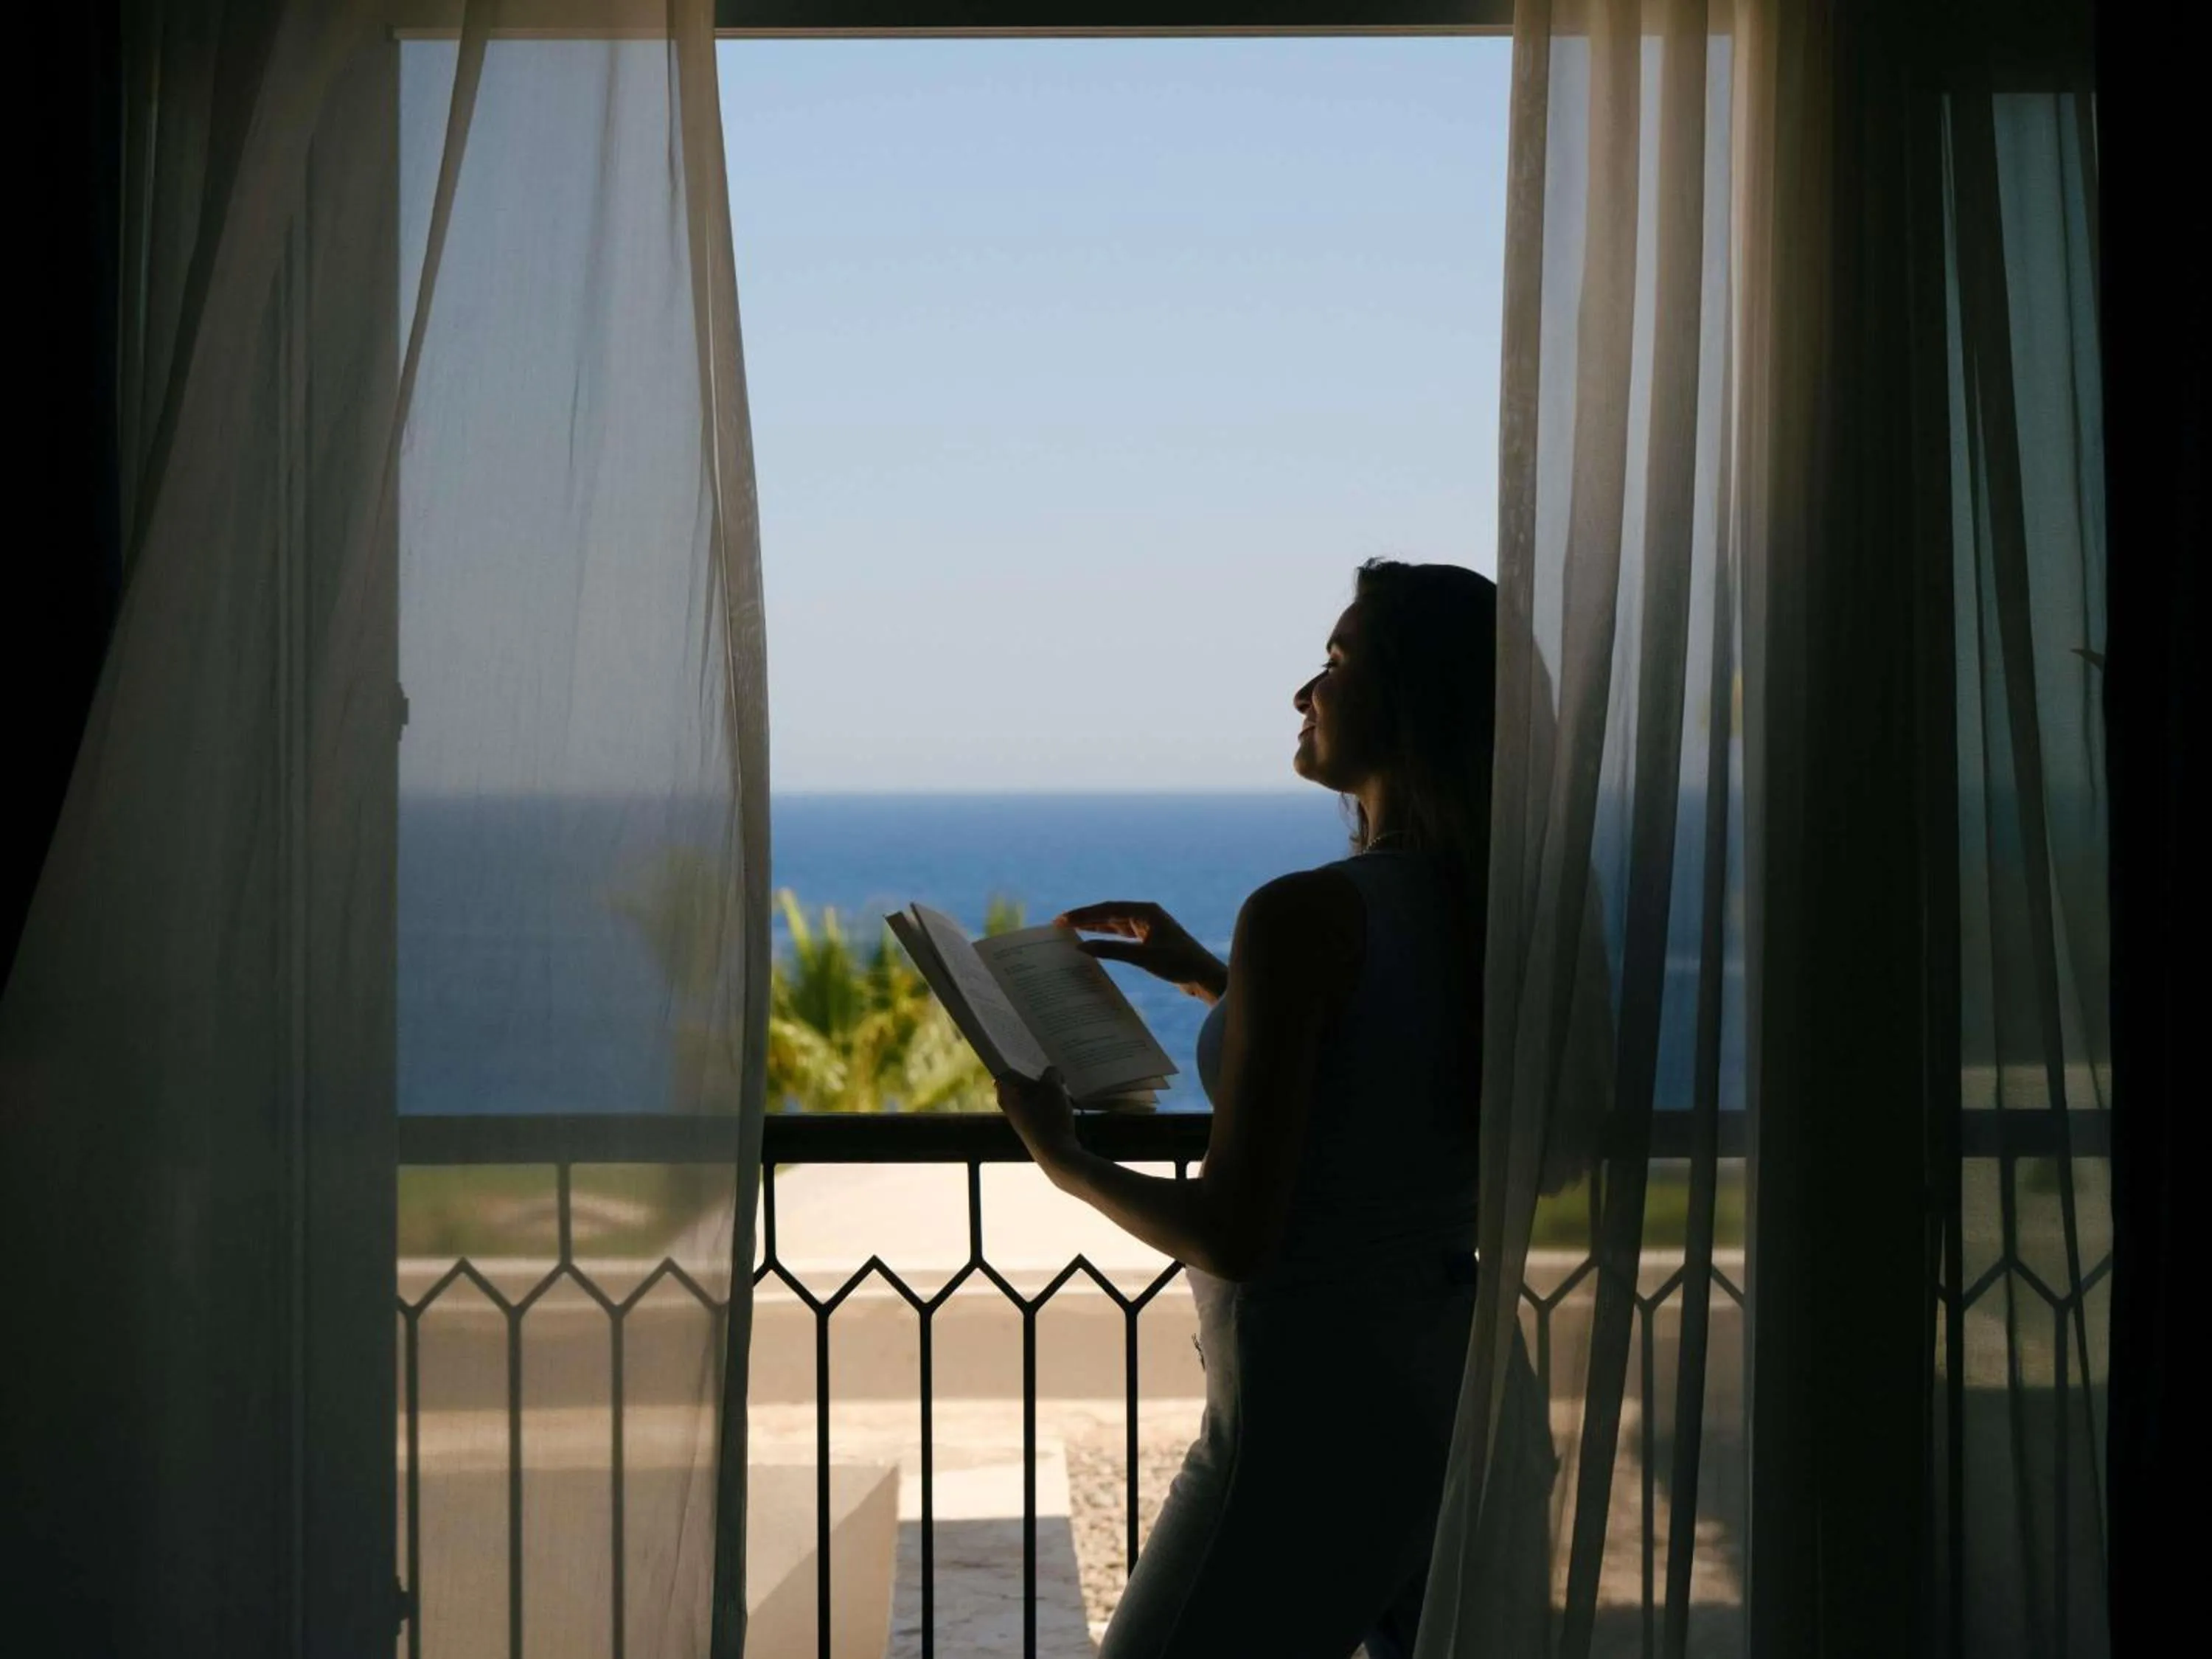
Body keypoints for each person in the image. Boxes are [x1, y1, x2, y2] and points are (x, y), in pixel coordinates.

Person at [995, 559, 1552, 1658]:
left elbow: (1236, 1233)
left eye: (1338, 663)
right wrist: (1220, 982)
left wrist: (1061, 1157)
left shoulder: (1306, 913)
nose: (1307, 690)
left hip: (1309, 1421)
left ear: (1412, 700)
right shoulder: (1498, 906)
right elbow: (1395, 1067)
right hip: (1457, 1389)